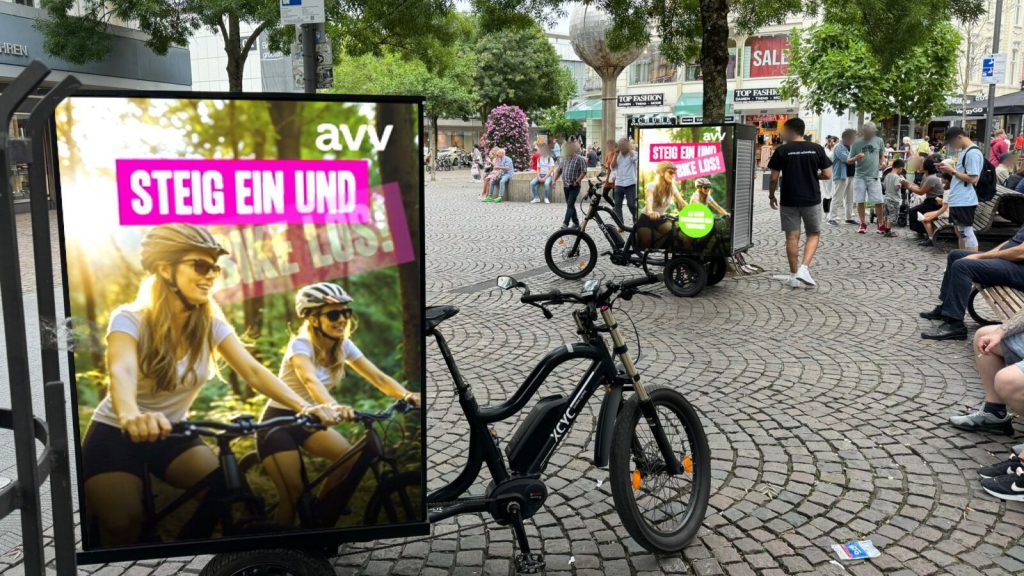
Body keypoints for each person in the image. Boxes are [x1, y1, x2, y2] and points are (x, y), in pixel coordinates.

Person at [82, 224, 337, 546]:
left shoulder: (210, 324)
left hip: (173, 432)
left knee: (232, 492)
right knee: (123, 522)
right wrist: (131, 413)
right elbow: (122, 370)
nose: (211, 275)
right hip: (115, 433)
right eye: (199, 265)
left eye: (214, 268)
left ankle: (185, 551)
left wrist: (307, 406)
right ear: (165, 269)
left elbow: (253, 372)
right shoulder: (130, 318)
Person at [256, 283, 420, 527]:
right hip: (278, 423)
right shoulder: (300, 345)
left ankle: (318, 516)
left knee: (349, 458)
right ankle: (277, 553)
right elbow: (309, 380)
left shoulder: (343, 346)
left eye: (346, 313)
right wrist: (333, 406)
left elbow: (378, 378)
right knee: (293, 496)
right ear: (312, 319)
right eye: (333, 314)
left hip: (312, 420)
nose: (342, 319)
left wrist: (407, 395)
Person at [920, 221, 1024, 340]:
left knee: (962, 266)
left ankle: (955, 324)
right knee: (955, 255)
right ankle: (946, 308)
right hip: (1012, 263)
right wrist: (990, 254)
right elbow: (1013, 241)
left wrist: (980, 257)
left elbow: (1021, 252)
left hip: (1020, 270)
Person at [767, 117, 833, 288]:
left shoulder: (782, 150)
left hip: (789, 199)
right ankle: (804, 268)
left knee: (791, 236)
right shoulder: (817, 149)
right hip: (811, 198)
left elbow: (773, 178)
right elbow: (827, 174)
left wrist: (771, 196)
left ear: (789, 131)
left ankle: (794, 275)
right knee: (813, 233)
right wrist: (813, 176)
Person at [936, 127, 982, 252]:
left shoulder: (972, 153)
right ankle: (962, 259)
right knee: (960, 231)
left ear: (959, 137)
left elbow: (973, 178)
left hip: (965, 199)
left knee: (965, 231)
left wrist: (953, 171)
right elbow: (961, 176)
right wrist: (948, 170)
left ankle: (971, 262)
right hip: (959, 198)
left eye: (952, 142)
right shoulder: (965, 151)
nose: (952, 146)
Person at [636, 161, 688, 249]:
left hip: (660, 218)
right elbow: (649, 200)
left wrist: (694, 211)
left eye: (674, 173)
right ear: (661, 172)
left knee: (674, 235)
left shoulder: (672, 187)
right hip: (646, 218)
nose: (673, 175)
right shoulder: (652, 186)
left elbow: (682, 202)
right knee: (646, 241)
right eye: (670, 172)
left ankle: (666, 254)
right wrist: (650, 212)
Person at [849, 122, 887, 234]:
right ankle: (862, 224)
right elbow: (848, 160)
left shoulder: (879, 140)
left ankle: (880, 224)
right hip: (860, 176)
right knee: (860, 201)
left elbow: (881, 155)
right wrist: (856, 157)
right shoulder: (856, 143)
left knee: (878, 201)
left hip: (874, 176)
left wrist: (883, 162)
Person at [906, 154, 946, 245]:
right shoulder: (926, 175)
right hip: (930, 200)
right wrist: (909, 184)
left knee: (915, 212)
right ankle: (922, 233)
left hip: (935, 202)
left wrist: (909, 186)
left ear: (926, 167)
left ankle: (925, 233)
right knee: (913, 211)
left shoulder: (931, 178)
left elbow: (921, 192)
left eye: (922, 164)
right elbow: (920, 188)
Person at [551, 141, 588, 229]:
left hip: (575, 186)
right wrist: (554, 180)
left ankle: (565, 224)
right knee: (570, 205)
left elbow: (584, 171)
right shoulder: (563, 159)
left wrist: (578, 181)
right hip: (566, 186)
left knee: (570, 204)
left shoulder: (579, 158)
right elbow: (559, 170)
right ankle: (576, 223)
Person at [829, 129, 857, 225]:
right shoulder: (838, 147)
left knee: (850, 198)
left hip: (851, 175)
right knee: (837, 197)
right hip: (841, 175)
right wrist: (857, 157)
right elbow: (847, 159)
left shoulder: (852, 147)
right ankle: (831, 218)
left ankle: (848, 218)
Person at [611, 137, 639, 228]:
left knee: (631, 204)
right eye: (620, 145)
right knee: (617, 206)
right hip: (619, 183)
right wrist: (615, 155)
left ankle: (636, 220)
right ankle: (621, 225)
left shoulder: (634, 154)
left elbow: (635, 160)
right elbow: (612, 166)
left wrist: (629, 149)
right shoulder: (617, 155)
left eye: (623, 145)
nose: (621, 147)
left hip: (630, 183)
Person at [881, 159, 907, 237]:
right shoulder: (897, 177)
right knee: (893, 215)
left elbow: (884, 186)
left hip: (886, 198)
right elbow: (896, 188)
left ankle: (886, 229)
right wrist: (901, 183)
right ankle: (888, 231)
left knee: (887, 214)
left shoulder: (887, 175)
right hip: (894, 199)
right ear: (900, 168)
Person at [821, 136, 836, 220]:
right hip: (827, 173)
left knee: (829, 193)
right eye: (833, 142)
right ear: (829, 142)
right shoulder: (825, 151)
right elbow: (830, 159)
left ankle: (828, 213)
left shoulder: (828, 150)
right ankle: (827, 213)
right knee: (828, 194)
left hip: (831, 173)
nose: (835, 144)